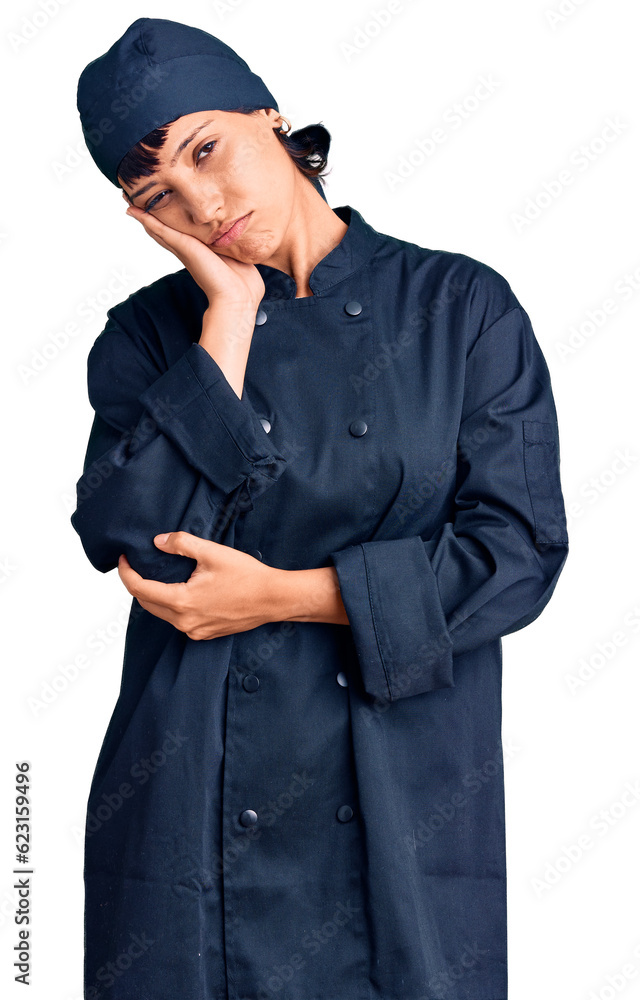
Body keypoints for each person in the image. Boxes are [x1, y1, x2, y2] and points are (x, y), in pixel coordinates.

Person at [72, 16, 570, 1000]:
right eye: (156, 193)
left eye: (205, 149)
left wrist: (284, 595)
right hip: (190, 800)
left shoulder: (459, 308)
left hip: (402, 795)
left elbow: (515, 553)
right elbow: (138, 545)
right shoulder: (146, 340)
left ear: (273, 118)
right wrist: (228, 316)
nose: (200, 201)